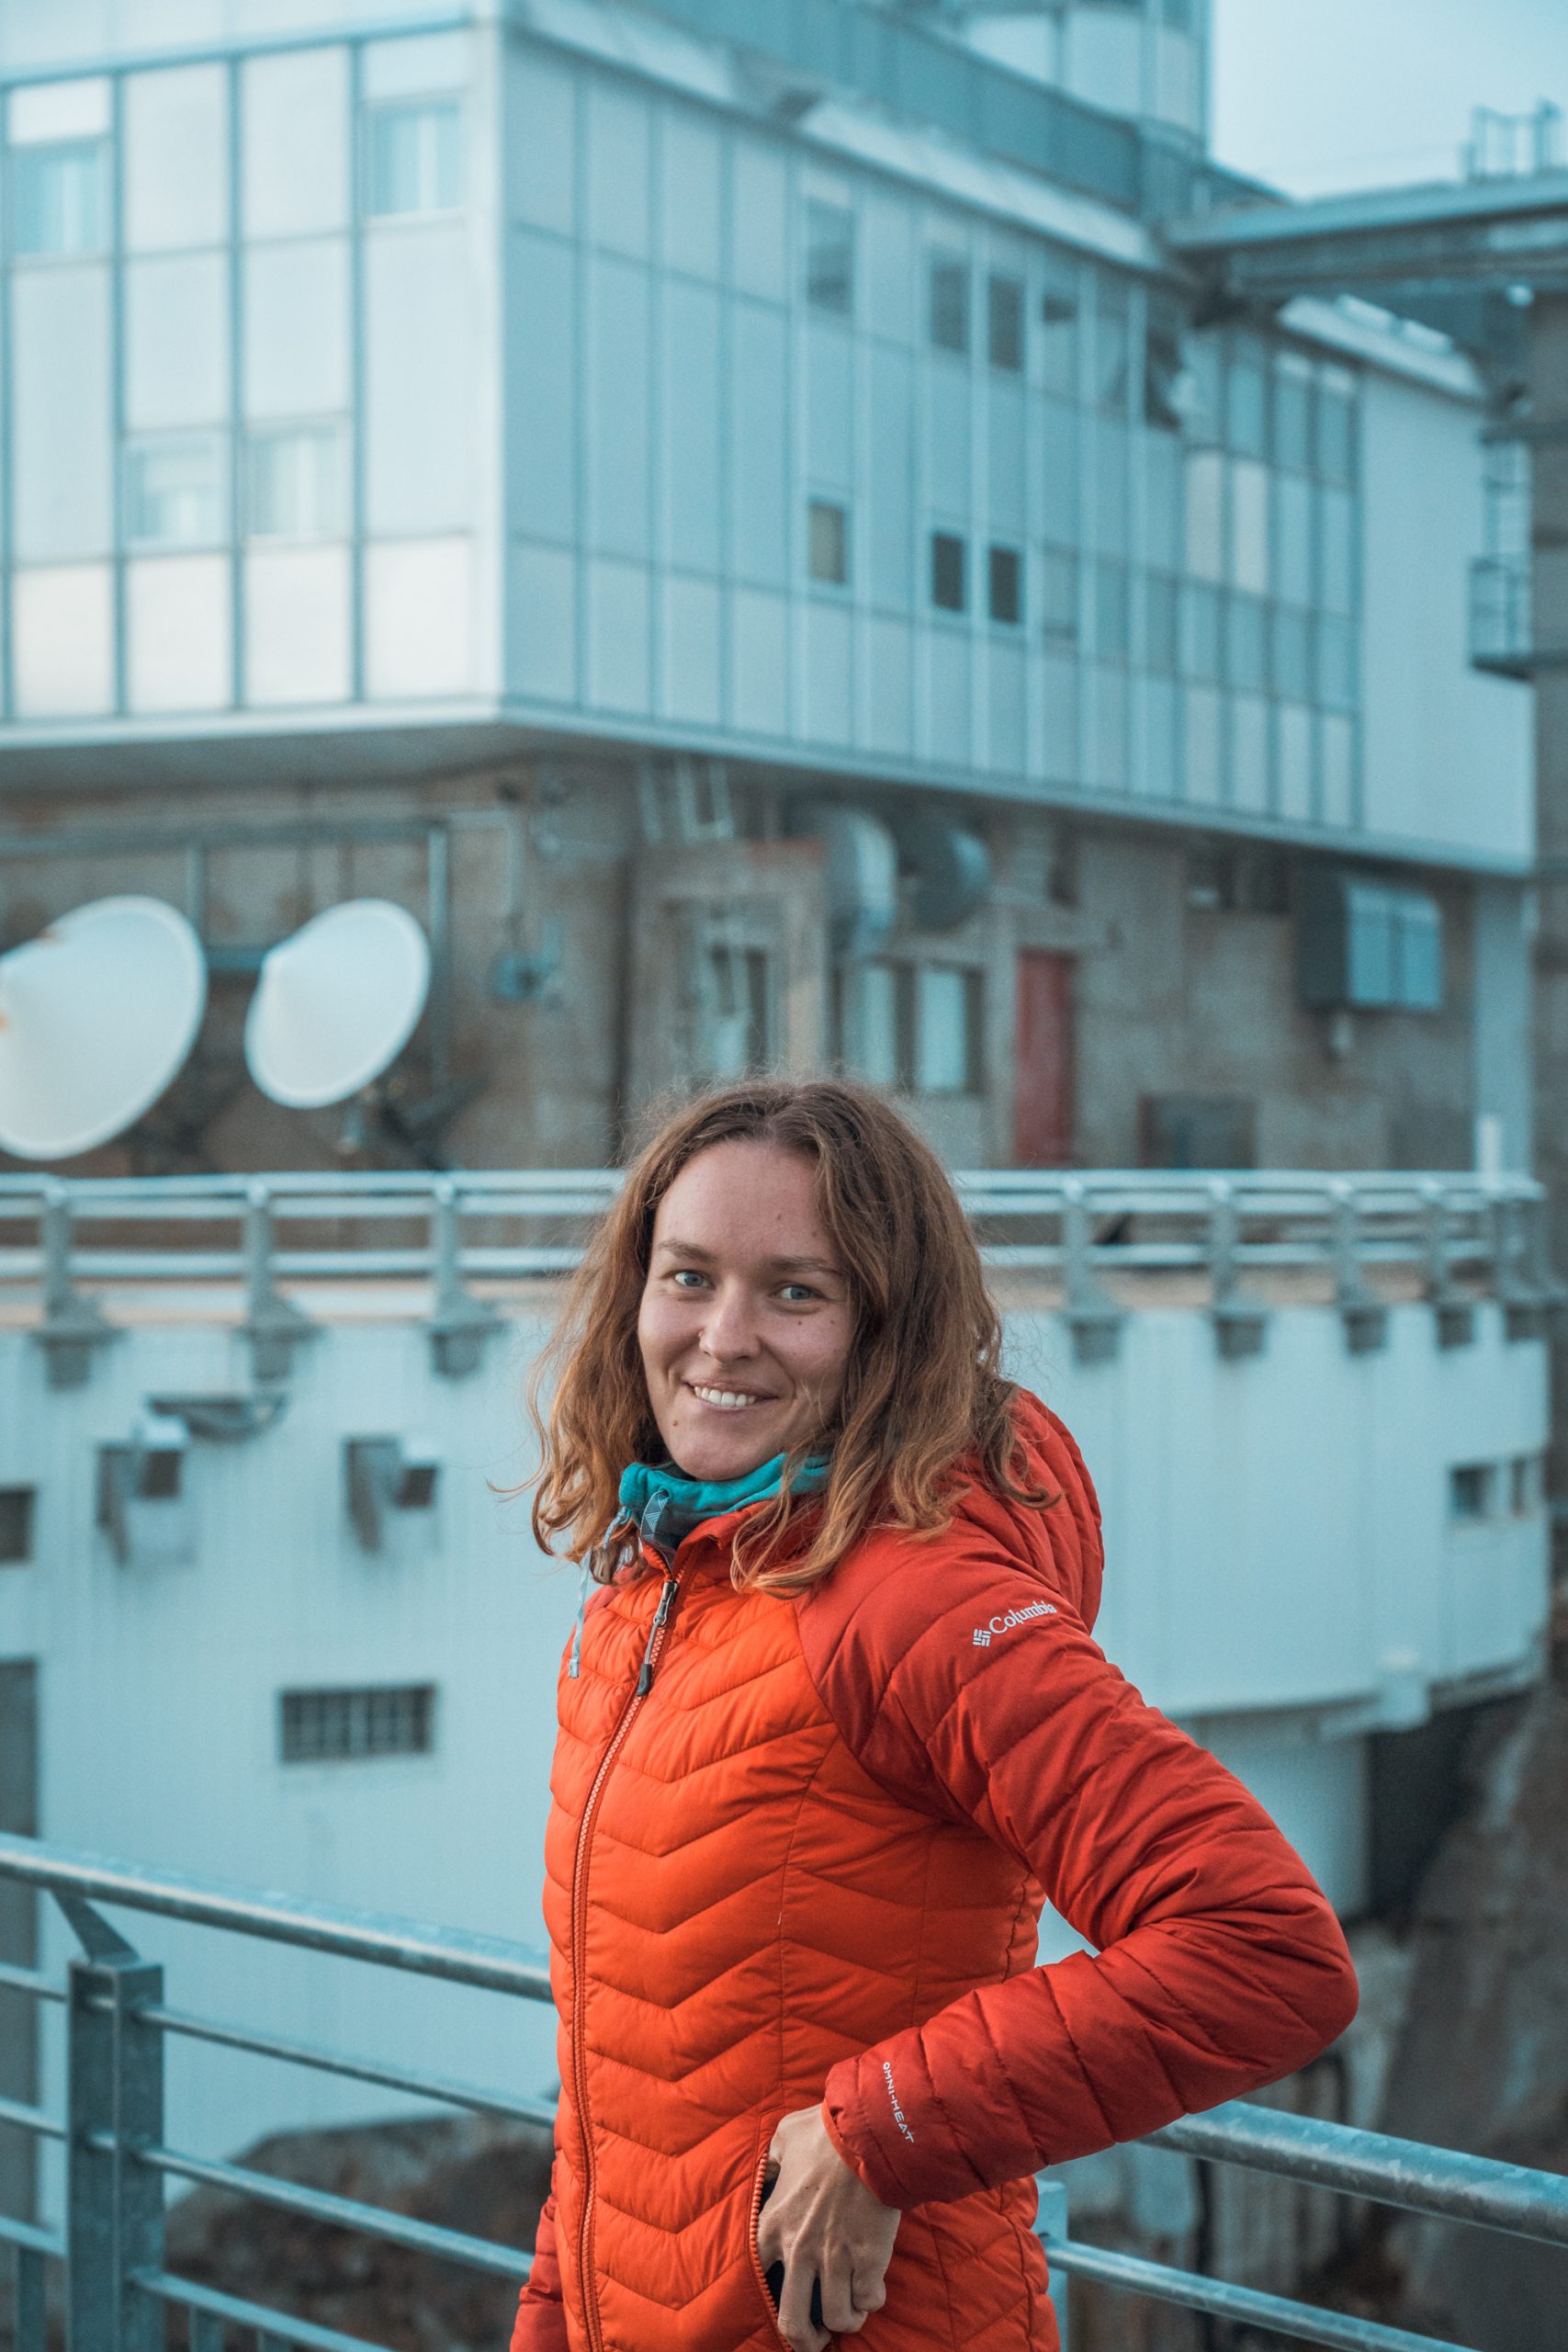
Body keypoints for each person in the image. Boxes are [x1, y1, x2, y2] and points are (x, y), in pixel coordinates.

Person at [509, 1080, 1358, 2352]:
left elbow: (1261, 1946)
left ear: (885, 1332)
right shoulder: (654, 1596)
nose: (722, 1336)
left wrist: (881, 2130)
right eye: (688, 1277)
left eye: (796, 1291)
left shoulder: (908, 1603)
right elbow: (621, 2103)